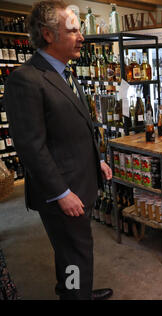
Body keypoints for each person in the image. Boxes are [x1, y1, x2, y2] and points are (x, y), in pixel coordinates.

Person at [4, 1, 113, 300]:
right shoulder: (25, 80)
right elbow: (30, 146)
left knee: (72, 251)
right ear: (48, 35)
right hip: (62, 191)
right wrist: (61, 193)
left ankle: (75, 290)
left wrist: (97, 160)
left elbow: (74, 128)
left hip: (79, 181)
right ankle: (76, 295)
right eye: (74, 30)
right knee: (76, 252)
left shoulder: (66, 72)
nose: (81, 37)